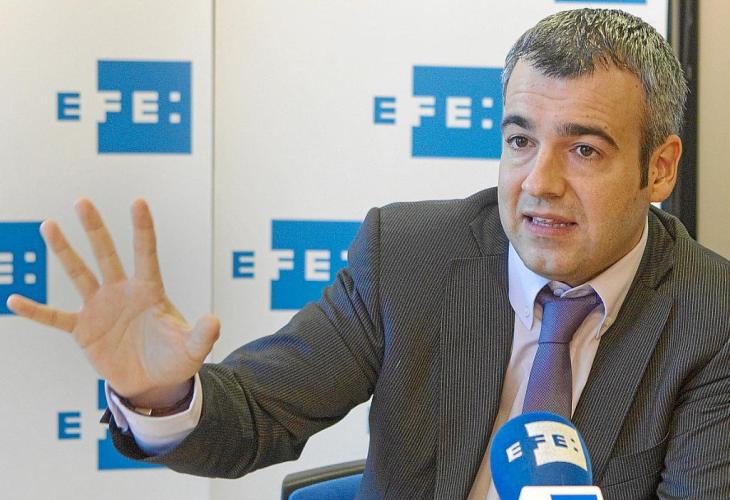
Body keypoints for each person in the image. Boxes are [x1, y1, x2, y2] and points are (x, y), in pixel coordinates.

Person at [8, 8, 730, 499]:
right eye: (520, 141)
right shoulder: (409, 256)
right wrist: (161, 395)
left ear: (660, 168)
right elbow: (259, 414)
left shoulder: (713, 317)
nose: (539, 182)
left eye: (583, 150)